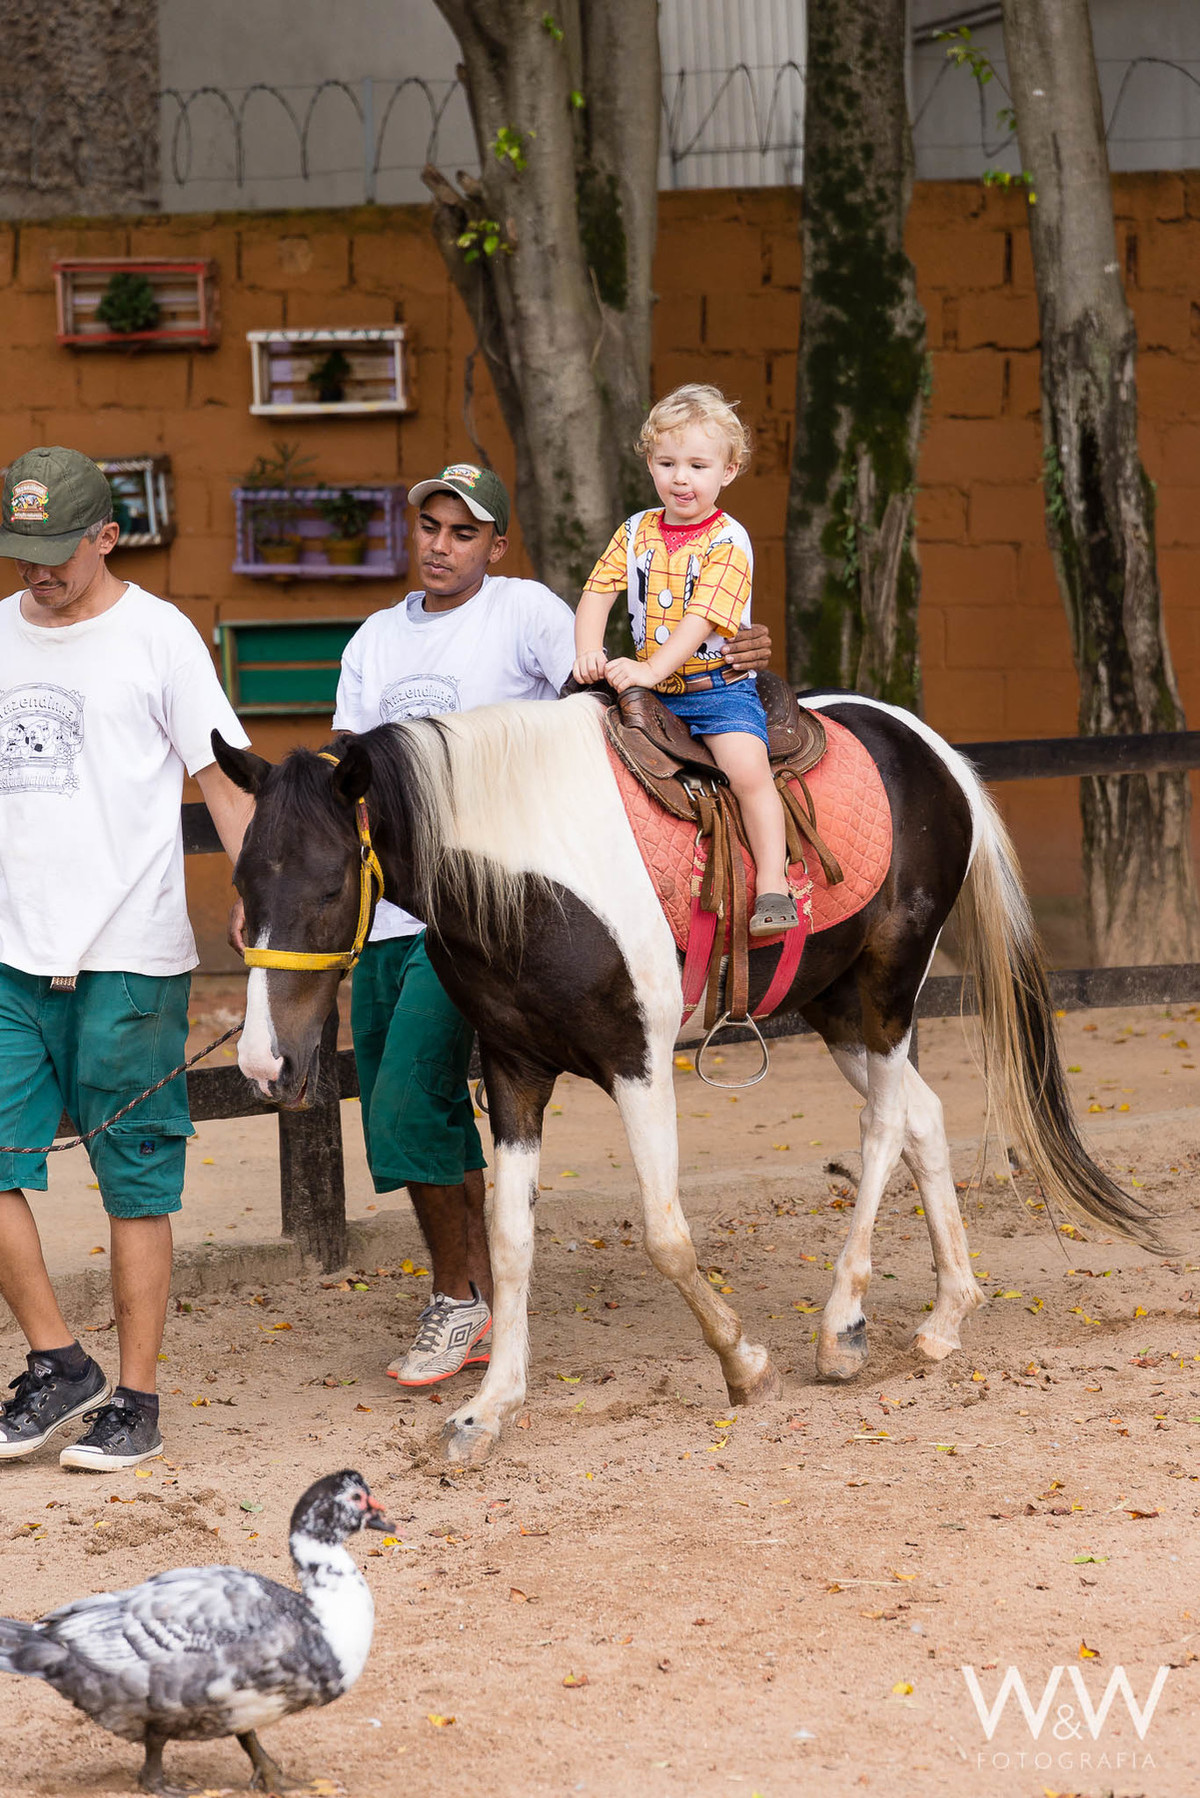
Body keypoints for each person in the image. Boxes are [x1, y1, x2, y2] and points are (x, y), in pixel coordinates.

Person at [326, 462, 773, 1386]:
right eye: (430, 529)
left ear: (495, 545)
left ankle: (462, 1303)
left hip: (491, 922)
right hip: (390, 914)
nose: (441, 547)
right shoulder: (374, 640)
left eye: (463, 533)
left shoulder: (526, 610)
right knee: (403, 1116)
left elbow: (602, 693)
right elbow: (350, 771)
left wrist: (720, 653)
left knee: (414, 1097)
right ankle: (475, 1292)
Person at [0, 447, 254, 1471]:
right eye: (22, 552)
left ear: (107, 536)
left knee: (135, 1181)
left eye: (58, 550)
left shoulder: (160, 638)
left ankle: (137, 1395)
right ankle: (59, 1359)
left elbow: (225, 778)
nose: (39, 571)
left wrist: (261, 897)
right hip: (11, 949)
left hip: (130, 954)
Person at [573, 384, 798, 937]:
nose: (681, 478)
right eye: (668, 462)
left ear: (728, 470)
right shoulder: (636, 531)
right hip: (650, 694)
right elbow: (599, 591)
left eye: (698, 465)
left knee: (748, 772)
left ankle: (773, 881)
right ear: (649, 463)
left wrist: (649, 670)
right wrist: (588, 649)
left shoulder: (729, 540)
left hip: (715, 688)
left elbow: (701, 618)